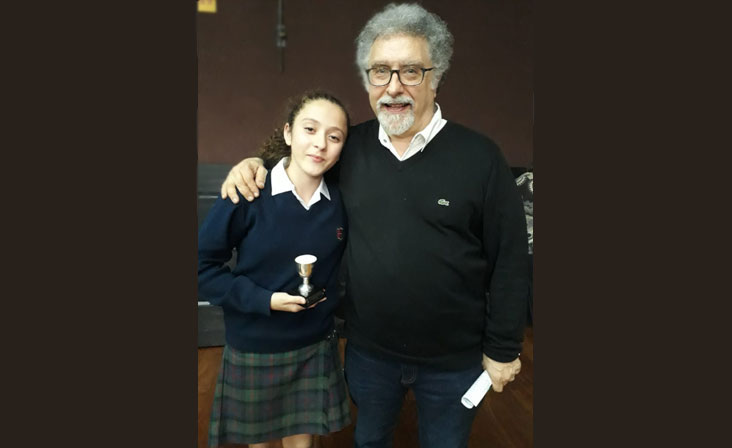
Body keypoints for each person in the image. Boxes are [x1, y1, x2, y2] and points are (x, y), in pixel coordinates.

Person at [219, 4, 529, 448]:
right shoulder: (349, 148)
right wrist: (255, 163)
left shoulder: (481, 158)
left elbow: (511, 260)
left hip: (454, 360)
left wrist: (503, 348)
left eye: (411, 71)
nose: (393, 86)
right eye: (380, 71)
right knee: (369, 441)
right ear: (368, 80)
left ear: (436, 76)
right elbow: (301, 162)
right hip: (370, 354)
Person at [198, 90, 352, 448]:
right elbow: (202, 269)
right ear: (288, 133)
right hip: (255, 345)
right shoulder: (248, 191)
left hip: (314, 345)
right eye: (309, 129)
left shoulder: (342, 200)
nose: (320, 144)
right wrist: (264, 300)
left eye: (334, 137)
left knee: (303, 444)